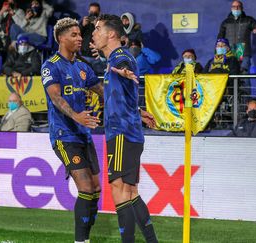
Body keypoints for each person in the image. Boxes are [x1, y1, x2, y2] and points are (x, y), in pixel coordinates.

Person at [92, 14, 157, 243]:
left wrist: (122, 70)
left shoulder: (120, 57)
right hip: (128, 130)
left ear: (111, 34)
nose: (93, 33)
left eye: (98, 29)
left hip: (121, 132)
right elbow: (125, 94)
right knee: (130, 192)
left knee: (118, 189)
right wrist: (139, 111)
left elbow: (125, 65)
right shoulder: (113, 59)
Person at [41, 17, 104, 243]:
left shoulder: (83, 67)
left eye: (80, 35)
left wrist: (131, 109)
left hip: (84, 136)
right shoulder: (51, 65)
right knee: (86, 187)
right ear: (61, 38)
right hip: (63, 135)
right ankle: (80, 241)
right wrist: (76, 116)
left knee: (96, 189)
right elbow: (56, 96)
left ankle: (85, 236)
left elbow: (103, 92)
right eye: (74, 35)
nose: (80, 39)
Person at [217, 0, 256, 73]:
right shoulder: (226, 22)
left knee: (244, 76)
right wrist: (219, 51)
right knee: (230, 75)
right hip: (229, 52)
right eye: (234, 7)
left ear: (242, 8)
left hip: (244, 52)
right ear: (231, 8)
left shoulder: (248, 20)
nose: (236, 8)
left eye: (238, 6)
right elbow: (220, 38)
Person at [79, 3, 105, 75]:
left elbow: (104, 36)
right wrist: (82, 25)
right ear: (88, 11)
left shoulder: (102, 24)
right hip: (84, 56)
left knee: (97, 78)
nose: (92, 15)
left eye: (95, 13)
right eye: (91, 12)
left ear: (99, 12)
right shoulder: (84, 22)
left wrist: (96, 25)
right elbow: (77, 35)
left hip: (97, 58)